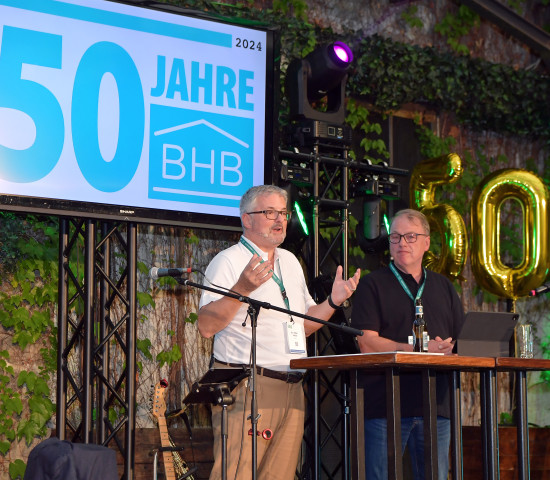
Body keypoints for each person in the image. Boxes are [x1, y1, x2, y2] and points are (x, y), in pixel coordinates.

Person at [197, 184, 361, 480]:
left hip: (293, 387)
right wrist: (241, 289)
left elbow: (305, 324)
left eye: (283, 213)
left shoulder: (290, 262)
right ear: (247, 219)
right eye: (269, 212)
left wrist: (333, 301)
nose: (280, 220)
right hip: (249, 386)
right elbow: (206, 327)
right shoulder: (228, 261)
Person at [350, 209, 465, 480]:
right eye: (396, 237)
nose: (402, 243)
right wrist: (420, 350)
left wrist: (449, 348)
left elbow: (462, 340)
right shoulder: (371, 284)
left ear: (426, 243)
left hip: (436, 405)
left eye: (411, 236)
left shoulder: (444, 286)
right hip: (385, 405)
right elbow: (366, 343)